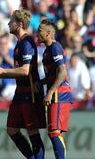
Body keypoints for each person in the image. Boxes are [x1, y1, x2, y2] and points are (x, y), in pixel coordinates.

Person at [0, 10, 46, 159]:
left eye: (11, 21)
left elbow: (25, 70)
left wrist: (2, 72)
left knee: (32, 130)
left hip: (30, 92)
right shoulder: (19, 43)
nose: (8, 23)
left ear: (19, 24)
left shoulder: (27, 42)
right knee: (12, 129)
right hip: (20, 92)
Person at [38, 19, 73, 159]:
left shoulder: (55, 47)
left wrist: (50, 92)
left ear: (48, 33)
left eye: (40, 30)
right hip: (55, 92)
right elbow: (53, 74)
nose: (37, 33)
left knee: (54, 132)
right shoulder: (47, 50)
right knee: (53, 131)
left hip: (60, 93)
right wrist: (42, 82)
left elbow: (62, 72)